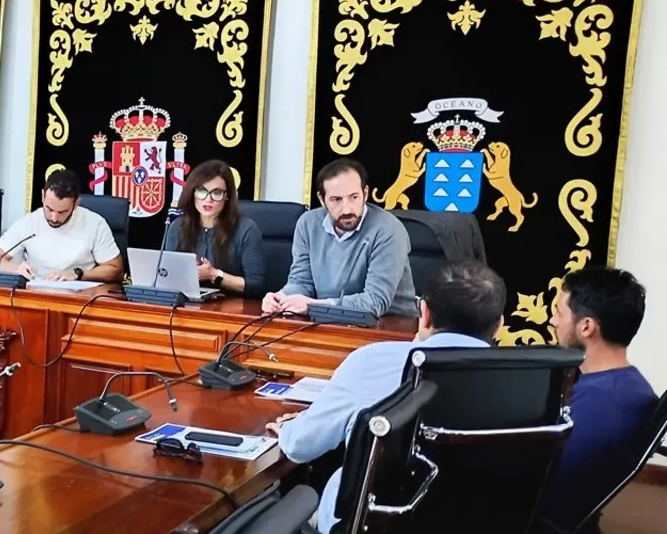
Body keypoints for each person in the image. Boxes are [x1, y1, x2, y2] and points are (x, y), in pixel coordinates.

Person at [267, 259, 506, 533]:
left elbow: (301, 446)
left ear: (425, 312)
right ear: (498, 326)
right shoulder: (527, 383)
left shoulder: (372, 361)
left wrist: (290, 429)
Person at [540, 267, 658, 531]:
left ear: (586, 327)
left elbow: (543, 485)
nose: (553, 321)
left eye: (559, 312)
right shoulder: (631, 387)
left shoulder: (599, 406)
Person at [265, 157, 416, 317]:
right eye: (336, 200)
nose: (346, 209)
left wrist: (315, 306)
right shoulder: (308, 224)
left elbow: (375, 302)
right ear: (322, 199)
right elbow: (301, 282)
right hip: (326, 319)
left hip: (391, 323)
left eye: (354, 197)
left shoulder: (389, 230)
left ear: (365, 193)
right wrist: (280, 298)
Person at [0, 169, 123, 283]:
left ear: (76, 204)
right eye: (49, 209)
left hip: (80, 297)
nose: (54, 218)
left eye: (62, 212)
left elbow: (115, 269)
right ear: (43, 196)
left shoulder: (94, 224)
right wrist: (14, 269)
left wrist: (78, 274)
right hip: (36, 294)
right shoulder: (30, 223)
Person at [164, 159, 264, 295]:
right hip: (186, 303)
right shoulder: (178, 227)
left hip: (231, 305)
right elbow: (167, 275)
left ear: (227, 196)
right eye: (201, 191)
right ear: (192, 193)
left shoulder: (246, 229)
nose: (208, 199)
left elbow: (255, 285)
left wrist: (214, 275)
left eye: (216, 193)